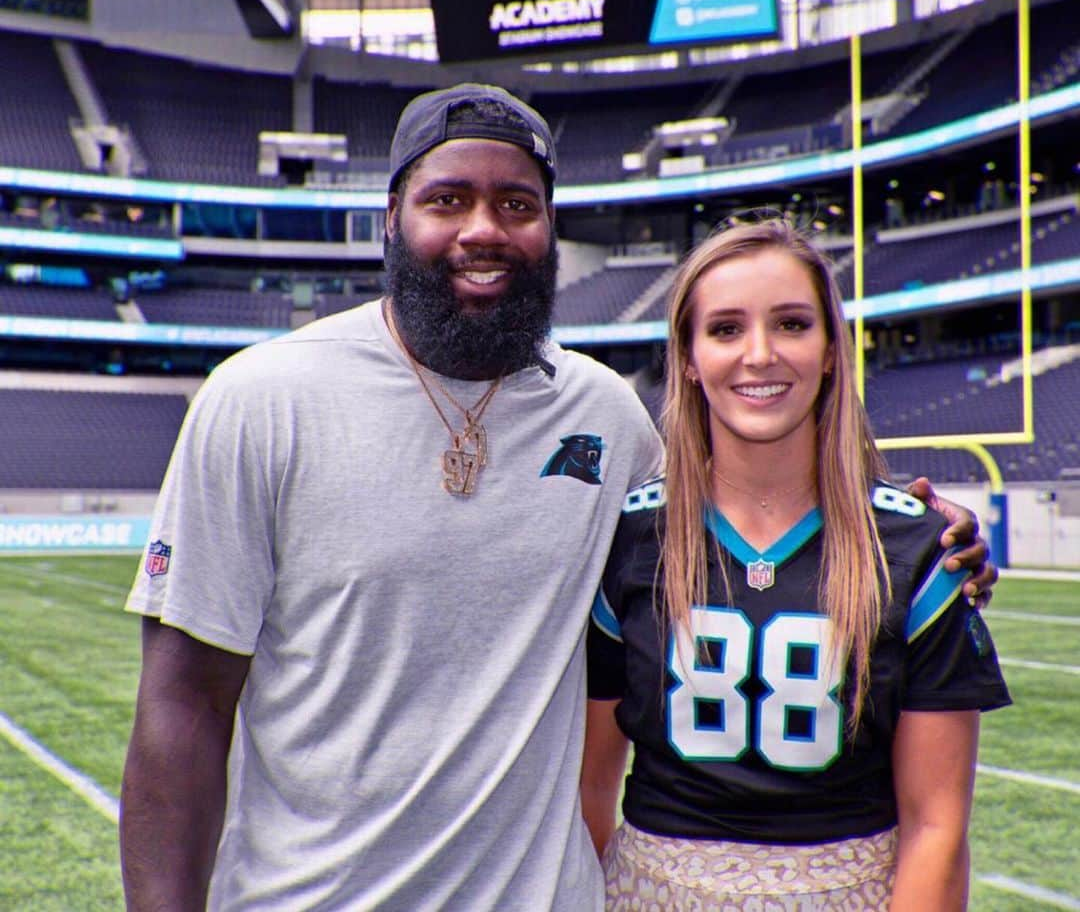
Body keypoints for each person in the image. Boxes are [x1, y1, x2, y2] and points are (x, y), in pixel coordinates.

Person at [119, 85, 995, 911]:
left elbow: (731, 493)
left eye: (517, 205)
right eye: (448, 199)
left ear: (549, 226)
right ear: (390, 218)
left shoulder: (605, 415)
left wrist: (912, 527)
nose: (483, 230)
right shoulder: (261, 399)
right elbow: (184, 704)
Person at [581, 218, 1011, 910]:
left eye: (791, 323)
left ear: (832, 349)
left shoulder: (916, 551)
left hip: (849, 890)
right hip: (651, 891)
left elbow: (937, 825)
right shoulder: (630, 537)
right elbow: (589, 790)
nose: (759, 354)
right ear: (687, 357)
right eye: (724, 329)